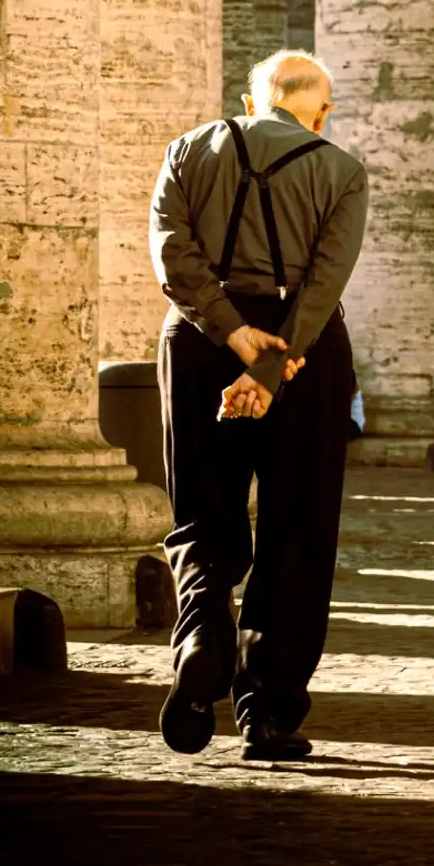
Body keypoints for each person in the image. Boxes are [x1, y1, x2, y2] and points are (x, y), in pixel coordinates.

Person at [148, 49, 368, 762]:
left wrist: (230, 331)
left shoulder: (187, 150)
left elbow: (170, 253)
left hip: (201, 345)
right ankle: (269, 711)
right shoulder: (342, 171)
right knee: (298, 527)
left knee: (202, 509)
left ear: (251, 102)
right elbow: (326, 281)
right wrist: (272, 364)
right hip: (303, 353)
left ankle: (202, 638)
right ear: (320, 111)